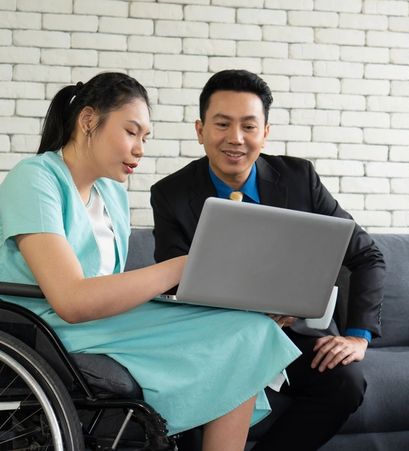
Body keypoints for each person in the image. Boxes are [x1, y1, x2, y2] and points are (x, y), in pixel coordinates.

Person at [0, 72, 301, 451]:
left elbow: (109, 286)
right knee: (243, 336)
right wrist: (189, 263)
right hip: (48, 326)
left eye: (145, 138)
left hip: (101, 320)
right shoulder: (34, 179)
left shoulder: (111, 193)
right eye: (131, 132)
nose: (140, 148)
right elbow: (72, 300)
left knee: (249, 329)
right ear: (88, 120)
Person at [150, 69, 386, 451]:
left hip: (291, 336)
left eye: (248, 126)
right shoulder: (171, 194)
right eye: (222, 124)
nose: (235, 139)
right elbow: (174, 284)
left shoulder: (300, 178)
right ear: (200, 129)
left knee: (345, 383)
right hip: (216, 339)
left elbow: (367, 255)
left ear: (265, 132)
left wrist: (358, 337)